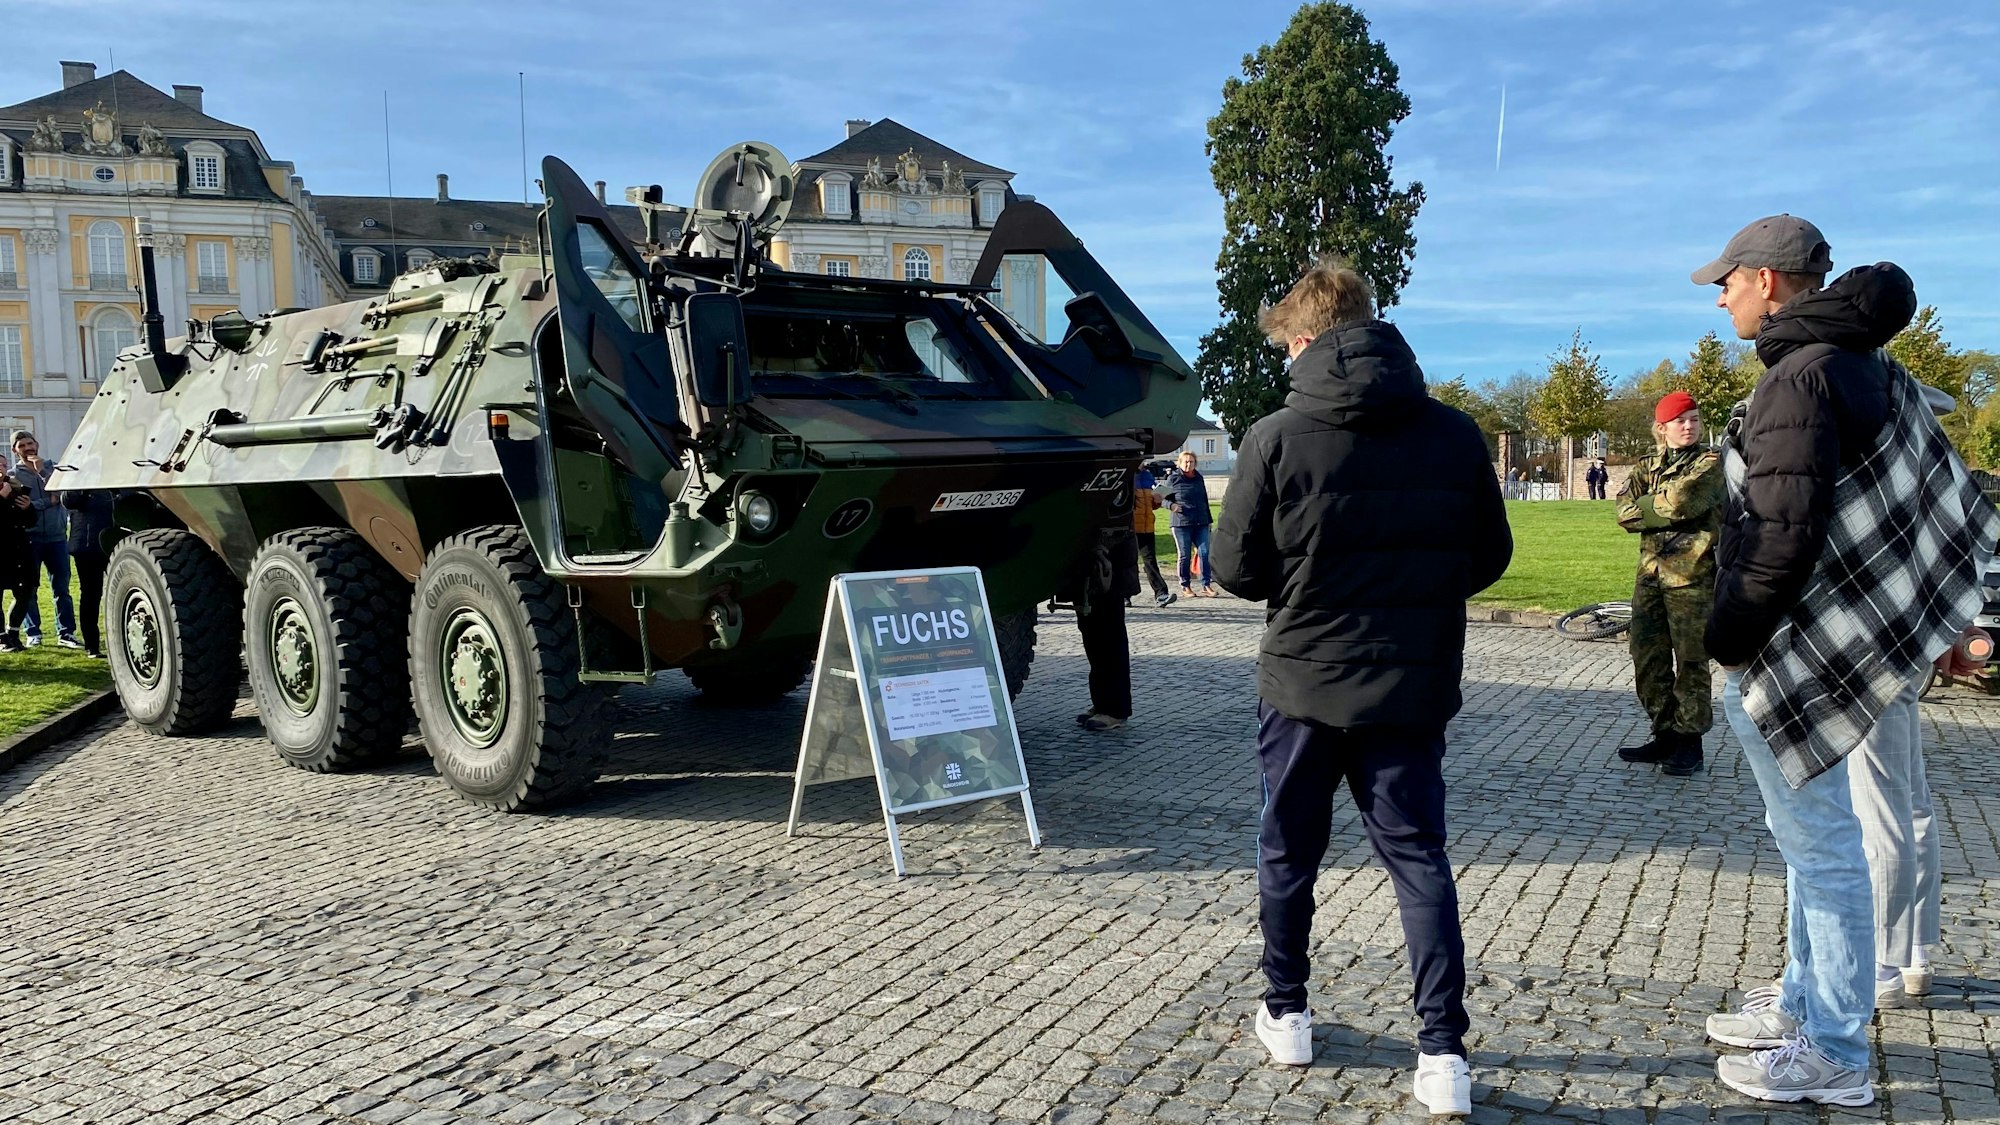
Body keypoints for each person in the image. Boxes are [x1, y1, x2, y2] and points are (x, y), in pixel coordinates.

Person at [1693, 216, 2000, 1107]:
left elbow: (1780, 539)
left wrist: (1726, 638)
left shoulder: (1801, 378)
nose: (1721, 296)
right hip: (1855, 643)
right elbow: (1942, 492)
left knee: (1822, 845)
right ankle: (1800, 1001)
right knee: (1814, 843)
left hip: (1808, 653)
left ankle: (1833, 1046)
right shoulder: (1864, 362)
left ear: (1769, 280)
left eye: (1729, 281)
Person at [1212, 258, 1512, 1115]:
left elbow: (1234, 566)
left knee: (1287, 854)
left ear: (1306, 338)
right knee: (1419, 860)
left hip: (1303, 681)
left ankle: (1287, 1008)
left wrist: (1301, 580)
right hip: (1408, 685)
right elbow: (1489, 556)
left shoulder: (1273, 435)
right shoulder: (1455, 434)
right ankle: (1444, 1053)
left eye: (1286, 346)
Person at [1613, 392, 1723, 776]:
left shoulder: (1710, 463)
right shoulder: (1648, 465)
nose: (1690, 426)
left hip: (1692, 578)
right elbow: (1623, 512)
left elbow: (1679, 502)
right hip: (1651, 577)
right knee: (1647, 657)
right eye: (1681, 421)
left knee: (1691, 661)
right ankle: (1664, 734)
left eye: (1694, 419)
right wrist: (1653, 507)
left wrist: (1651, 507)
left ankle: (1689, 743)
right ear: (1662, 428)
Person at [1059, 525, 1139, 732]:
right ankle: (1102, 702)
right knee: (1093, 637)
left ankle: (1115, 709)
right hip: (1092, 563)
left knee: (1110, 637)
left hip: (1109, 563)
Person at [10, 431, 80, 648]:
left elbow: (60, 494)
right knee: (28, 589)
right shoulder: (14, 476)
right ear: (15, 450)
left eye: (30, 443)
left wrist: (42, 472)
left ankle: (66, 633)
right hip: (30, 539)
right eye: (22, 445)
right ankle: (33, 633)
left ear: (37, 444)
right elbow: (22, 505)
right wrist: (47, 502)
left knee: (62, 588)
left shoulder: (53, 467)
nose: (27, 448)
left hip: (57, 537)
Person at [63, 488, 116, 659]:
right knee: (91, 595)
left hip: (116, 544)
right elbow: (68, 500)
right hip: (87, 546)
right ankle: (92, 645)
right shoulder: (81, 480)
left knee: (117, 594)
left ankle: (118, 642)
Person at [1163, 450, 1215, 598]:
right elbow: (1162, 499)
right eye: (1185, 461)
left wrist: (1208, 521)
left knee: (1204, 553)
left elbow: (1204, 500)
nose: (1188, 464)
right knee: (1184, 555)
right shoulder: (1173, 479)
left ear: (1195, 463)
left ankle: (1206, 584)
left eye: (1191, 462)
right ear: (1179, 463)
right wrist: (1171, 506)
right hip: (1181, 523)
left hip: (1201, 521)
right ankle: (1185, 585)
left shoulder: (1199, 478)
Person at [0, 466, 35, 652]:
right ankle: (2, 638)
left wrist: (28, 507)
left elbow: (30, 522)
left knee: (24, 593)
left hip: (18, 550)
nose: (1, 468)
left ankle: (13, 632)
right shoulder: (5, 493)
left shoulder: (16, 489)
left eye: (3, 465)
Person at [1131, 467, 1174, 607]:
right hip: (1130, 528)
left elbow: (1152, 506)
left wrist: (1157, 500)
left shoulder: (1148, 475)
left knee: (1150, 561)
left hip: (1147, 527)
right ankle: (1125, 595)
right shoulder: (1128, 475)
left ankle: (1161, 593)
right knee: (1129, 562)